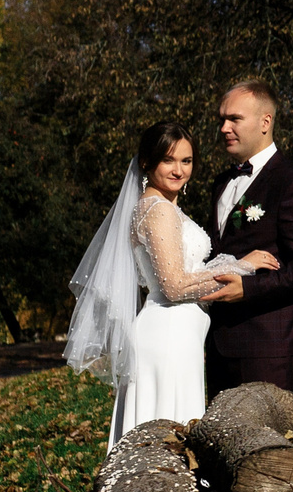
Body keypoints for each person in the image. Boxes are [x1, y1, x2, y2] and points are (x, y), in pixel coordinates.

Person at [65, 121, 278, 449]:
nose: (179, 170)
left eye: (187, 161)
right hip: (168, 335)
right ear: (147, 164)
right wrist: (244, 265)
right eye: (169, 160)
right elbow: (175, 287)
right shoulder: (158, 211)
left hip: (176, 333)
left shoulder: (159, 207)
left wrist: (235, 265)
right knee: (167, 430)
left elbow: (181, 274)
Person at [200, 79, 293, 398]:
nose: (224, 128)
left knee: (270, 445)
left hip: (270, 346)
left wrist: (248, 288)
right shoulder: (220, 183)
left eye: (234, 119)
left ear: (265, 122)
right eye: (221, 119)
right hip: (219, 344)